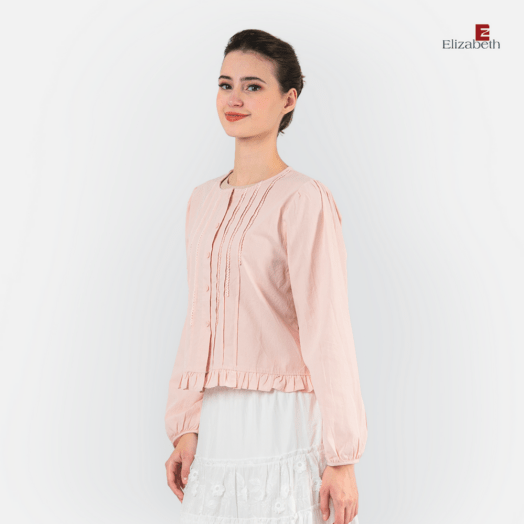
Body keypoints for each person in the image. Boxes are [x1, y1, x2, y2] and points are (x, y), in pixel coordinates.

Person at [164, 29, 368, 524]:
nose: (234, 98)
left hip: (281, 419)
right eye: (225, 84)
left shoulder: (303, 198)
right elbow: (198, 319)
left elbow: (327, 328)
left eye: (252, 86)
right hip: (216, 427)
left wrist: (342, 457)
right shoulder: (201, 200)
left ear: (288, 100)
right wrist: (186, 424)